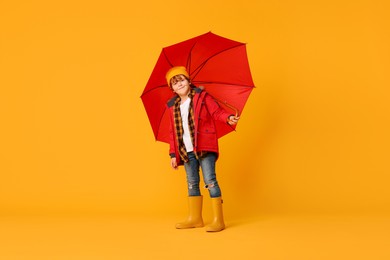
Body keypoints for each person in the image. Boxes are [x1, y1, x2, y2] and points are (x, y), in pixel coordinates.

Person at [165, 66, 239, 232]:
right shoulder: (173, 106)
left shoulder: (202, 96)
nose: (180, 84)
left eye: (182, 80)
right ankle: (195, 218)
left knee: (210, 180)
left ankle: (218, 220)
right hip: (186, 150)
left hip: (204, 146)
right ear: (172, 89)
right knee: (191, 183)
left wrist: (228, 118)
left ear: (189, 81)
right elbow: (172, 132)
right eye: (175, 83)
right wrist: (172, 153)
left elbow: (216, 112)